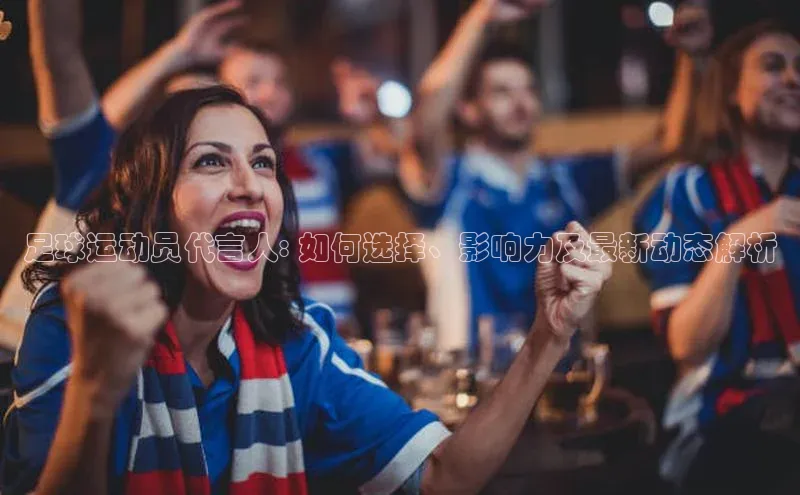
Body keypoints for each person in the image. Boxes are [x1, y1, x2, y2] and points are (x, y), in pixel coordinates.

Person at [0, 85, 612, 495]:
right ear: (154, 205)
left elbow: (444, 477)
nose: (249, 185)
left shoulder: (297, 340)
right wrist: (95, 389)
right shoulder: (71, 323)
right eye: (211, 161)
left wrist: (549, 335)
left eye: (263, 163)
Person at [398, 0, 705, 352]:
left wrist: (690, 56)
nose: (521, 103)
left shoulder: (565, 179)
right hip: (474, 374)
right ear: (468, 109)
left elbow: (672, 142)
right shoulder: (448, 180)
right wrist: (480, 15)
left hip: (562, 374)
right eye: (502, 92)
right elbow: (426, 120)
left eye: (529, 90)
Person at [0, 0, 244, 351]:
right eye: (176, 109)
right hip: (14, 357)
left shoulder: (214, 217)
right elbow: (59, 54)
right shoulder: (101, 172)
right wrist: (179, 52)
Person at [635, 20, 800, 493]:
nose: (793, 79)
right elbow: (687, 346)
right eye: (773, 66)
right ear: (730, 90)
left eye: (799, 68)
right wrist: (736, 240)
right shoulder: (688, 190)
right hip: (723, 417)